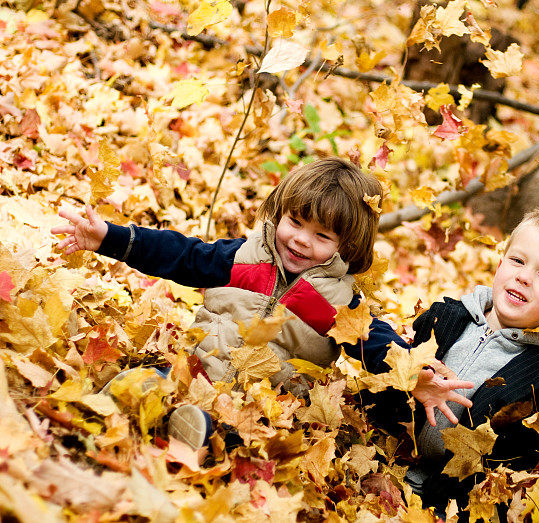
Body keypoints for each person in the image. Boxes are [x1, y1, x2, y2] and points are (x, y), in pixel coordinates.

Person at [52, 157, 383, 449]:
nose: (300, 239)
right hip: (196, 374)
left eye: (321, 236)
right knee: (149, 381)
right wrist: (110, 238)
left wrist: (419, 378)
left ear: (347, 246)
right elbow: (180, 254)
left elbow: (379, 344)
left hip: (259, 407)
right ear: (280, 213)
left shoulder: (338, 303)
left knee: (237, 433)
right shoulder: (242, 259)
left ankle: (196, 432)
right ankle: (117, 407)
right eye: (295, 222)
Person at [344, 209, 539, 522]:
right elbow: (391, 366)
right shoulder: (445, 317)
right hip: (389, 469)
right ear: (500, 265)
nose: (524, 276)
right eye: (518, 261)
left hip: (463, 506)